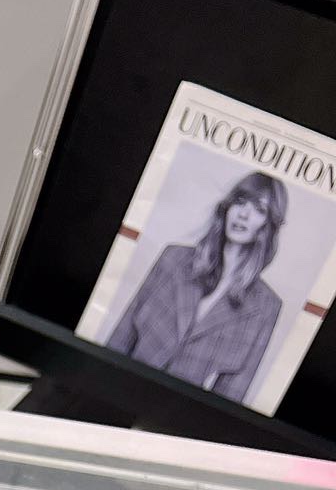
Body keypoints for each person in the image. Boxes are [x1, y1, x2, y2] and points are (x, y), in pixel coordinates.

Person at [105, 170, 287, 404]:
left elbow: (229, 396)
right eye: (240, 201)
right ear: (228, 207)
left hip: (173, 415)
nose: (243, 214)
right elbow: (122, 336)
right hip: (115, 392)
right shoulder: (173, 259)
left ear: (269, 225)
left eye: (259, 209)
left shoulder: (266, 306)